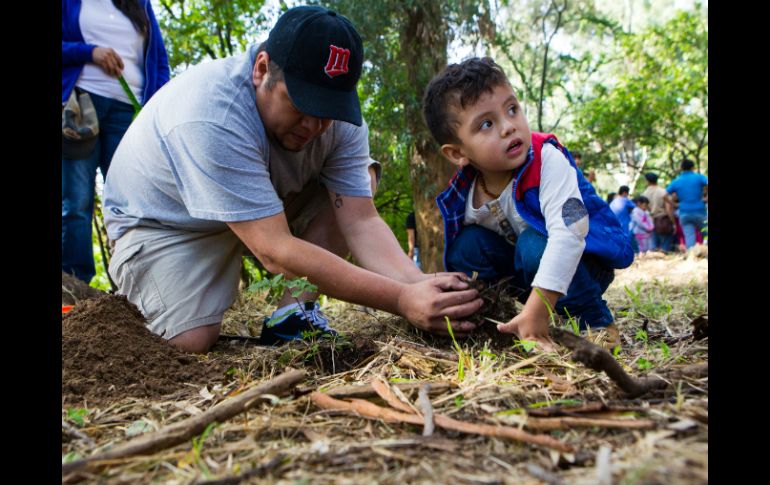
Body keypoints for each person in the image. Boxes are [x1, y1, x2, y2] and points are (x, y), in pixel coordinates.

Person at [103, 6, 482, 353]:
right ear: (262, 69)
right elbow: (274, 249)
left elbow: (360, 220)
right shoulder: (211, 114)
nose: (315, 125)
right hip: (165, 222)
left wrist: (417, 286)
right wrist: (400, 300)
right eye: (302, 104)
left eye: (328, 109)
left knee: (356, 181)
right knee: (187, 343)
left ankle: (291, 316)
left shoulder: (339, 122)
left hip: (262, 209)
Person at [424, 57, 633, 351]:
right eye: (486, 124)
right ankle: (502, 321)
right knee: (465, 247)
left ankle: (594, 322)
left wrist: (538, 311)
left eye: (512, 109)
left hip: (583, 265)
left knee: (532, 244)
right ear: (458, 153)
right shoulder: (464, 195)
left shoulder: (548, 160)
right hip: (525, 274)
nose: (509, 127)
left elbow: (571, 233)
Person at [62, 0, 170, 284]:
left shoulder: (140, 5)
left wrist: (154, 110)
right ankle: (75, 288)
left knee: (135, 205)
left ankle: (140, 287)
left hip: (130, 114)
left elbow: (159, 61)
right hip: (80, 109)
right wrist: (90, 53)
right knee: (76, 203)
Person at [666, 159, 708, 249]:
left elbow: (664, 195)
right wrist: (706, 198)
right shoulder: (699, 177)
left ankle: (692, 257)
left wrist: (674, 204)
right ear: (693, 167)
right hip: (700, 210)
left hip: (684, 212)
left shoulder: (677, 180)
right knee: (706, 233)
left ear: (681, 168)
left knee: (689, 237)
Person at [641, 172, 676, 252]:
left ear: (647, 181)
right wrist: (673, 223)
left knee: (655, 246)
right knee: (666, 245)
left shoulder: (644, 194)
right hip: (664, 220)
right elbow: (668, 209)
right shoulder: (663, 192)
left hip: (652, 221)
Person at [609, 185, 638, 254]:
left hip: (614, 224)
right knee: (627, 240)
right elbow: (636, 208)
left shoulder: (613, 201)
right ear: (625, 193)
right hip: (624, 224)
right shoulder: (625, 200)